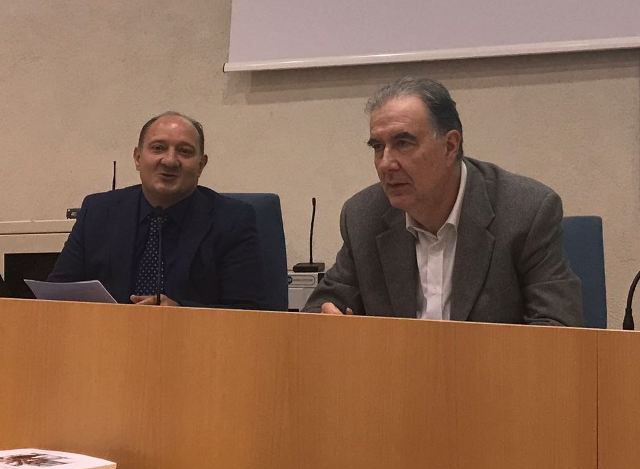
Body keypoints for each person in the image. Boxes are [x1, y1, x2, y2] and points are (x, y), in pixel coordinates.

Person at [303, 78, 583, 326]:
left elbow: (556, 328)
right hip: (395, 369)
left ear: (450, 146)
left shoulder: (525, 211)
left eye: (403, 143)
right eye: (378, 147)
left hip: (492, 369)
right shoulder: (364, 216)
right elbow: (318, 311)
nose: (386, 163)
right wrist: (326, 321)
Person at [48, 111, 263, 308]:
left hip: (193, 337)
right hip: (107, 335)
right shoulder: (98, 212)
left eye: (184, 151)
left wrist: (182, 313)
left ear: (201, 165)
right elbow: (56, 296)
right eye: (158, 148)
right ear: (138, 158)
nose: (170, 161)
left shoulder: (233, 220)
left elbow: (248, 312)